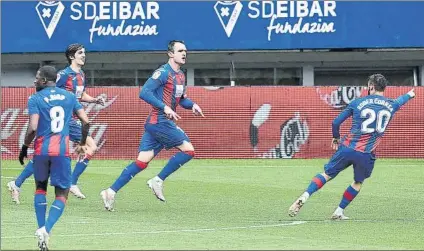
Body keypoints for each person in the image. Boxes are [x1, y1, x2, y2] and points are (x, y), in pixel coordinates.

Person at [288, 74, 416, 220]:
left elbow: (336, 122)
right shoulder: (392, 105)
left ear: (371, 87)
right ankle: (339, 211)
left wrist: (336, 138)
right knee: (358, 182)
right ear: (384, 88)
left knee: (327, 174)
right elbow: (401, 101)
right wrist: (410, 94)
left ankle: (304, 196)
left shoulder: (357, 102)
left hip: (347, 148)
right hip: (366, 153)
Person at [100, 40, 204, 211]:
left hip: (156, 124)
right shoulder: (163, 73)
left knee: (141, 162)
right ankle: (158, 180)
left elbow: (182, 98)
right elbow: (144, 92)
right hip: (160, 121)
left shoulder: (180, 75)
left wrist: (192, 105)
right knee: (189, 150)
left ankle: (110, 192)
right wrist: (165, 107)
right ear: (170, 54)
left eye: (185, 51)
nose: (184, 53)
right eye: (180, 51)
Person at [7, 43, 104, 202]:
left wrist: (94, 100)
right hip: (62, 120)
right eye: (80, 53)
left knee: (47, 155)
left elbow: (81, 94)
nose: (84, 55)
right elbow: (45, 89)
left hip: (69, 120)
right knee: (89, 147)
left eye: (84, 53)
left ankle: (16, 183)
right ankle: (72, 182)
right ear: (72, 56)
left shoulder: (81, 75)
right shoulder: (63, 75)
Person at [18, 65, 90, 250]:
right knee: (62, 193)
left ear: (43, 80)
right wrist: (82, 142)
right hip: (61, 152)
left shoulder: (35, 98)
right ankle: (46, 230)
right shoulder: (70, 96)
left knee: (40, 188)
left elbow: (33, 127)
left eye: (37, 77)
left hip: (42, 152)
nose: (35, 80)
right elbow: (86, 121)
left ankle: (41, 226)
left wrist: (25, 147)